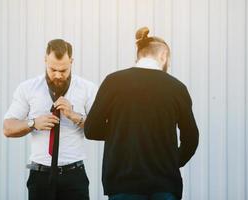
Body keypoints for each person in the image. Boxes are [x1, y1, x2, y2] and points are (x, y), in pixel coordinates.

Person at [84, 27, 199, 200]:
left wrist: (120, 131)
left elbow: (91, 129)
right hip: (165, 184)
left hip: (123, 183)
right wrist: (172, 162)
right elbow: (191, 138)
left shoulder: (113, 82)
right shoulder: (177, 88)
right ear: (163, 57)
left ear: (138, 56)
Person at [3, 39, 97, 200]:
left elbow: (100, 127)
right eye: (53, 69)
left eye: (64, 70)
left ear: (71, 61)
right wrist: (33, 123)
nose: (58, 75)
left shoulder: (87, 89)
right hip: (40, 176)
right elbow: (7, 128)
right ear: (45, 60)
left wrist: (74, 116)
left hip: (74, 176)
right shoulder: (28, 88)